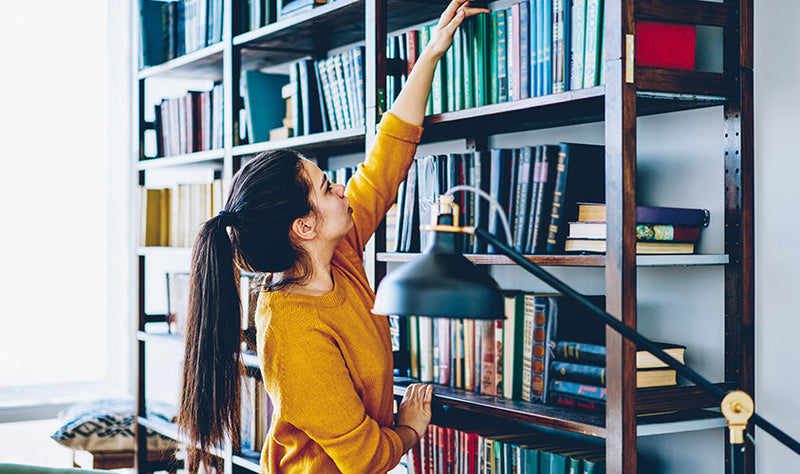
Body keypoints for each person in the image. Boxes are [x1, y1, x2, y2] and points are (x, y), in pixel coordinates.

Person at [178, 1, 490, 472]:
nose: (341, 187)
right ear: (304, 227)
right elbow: (363, 457)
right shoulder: (293, 330)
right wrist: (409, 428)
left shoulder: (336, 249)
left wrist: (429, 56)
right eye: (327, 187)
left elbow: (384, 165)